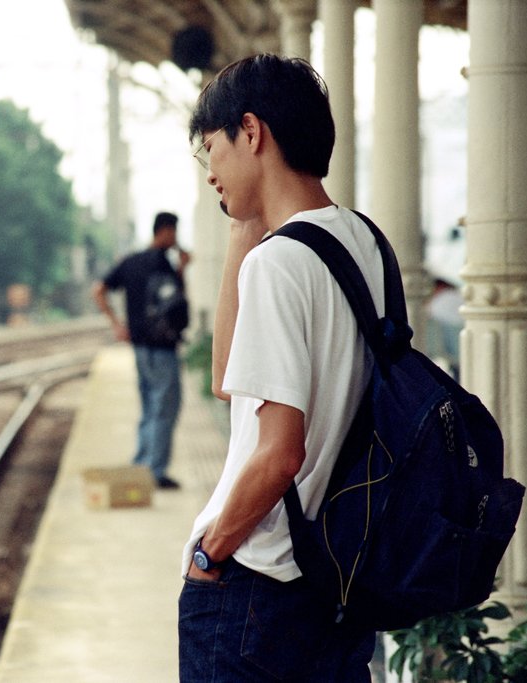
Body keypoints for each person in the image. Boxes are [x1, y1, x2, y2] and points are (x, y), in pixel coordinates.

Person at [179, 54, 378, 681]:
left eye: (211, 149)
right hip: (338, 575)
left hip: (257, 584)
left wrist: (210, 554)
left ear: (251, 131)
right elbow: (227, 381)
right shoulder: (366, 242)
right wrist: (247, 225)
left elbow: (279, 454)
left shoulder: (280, 264)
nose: (211, 174)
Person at [92, 211, 190, 490]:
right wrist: (182, 269)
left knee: (149, 406)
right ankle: (154, 471)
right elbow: (176, 302)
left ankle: (142, 464)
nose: (176, 238)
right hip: (162, 347)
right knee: (165, 407)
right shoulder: (163, 263)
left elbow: (98, 290)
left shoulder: (131, 261)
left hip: (139, 347)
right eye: (174, 232)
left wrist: (117, 324)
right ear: (166, 231)